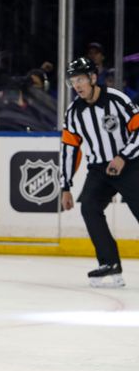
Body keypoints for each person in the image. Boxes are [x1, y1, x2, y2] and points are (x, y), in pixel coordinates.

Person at [60, 57, 139, 288]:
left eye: (81, 79)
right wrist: (65, 186)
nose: (77, 85)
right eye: (73, 81)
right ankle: (109, 263)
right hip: (98, 170)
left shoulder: (117, 99)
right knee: (90, 208)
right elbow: (69, 149)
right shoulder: (73, 112)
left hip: (130, 165)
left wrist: (123, 156)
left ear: (93, 78)